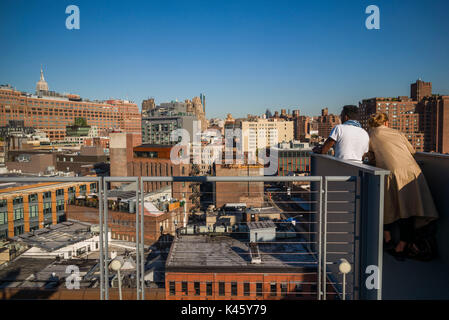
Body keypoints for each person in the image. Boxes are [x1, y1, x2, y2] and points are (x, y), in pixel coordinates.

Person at [367, 113, 439, 260]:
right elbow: (412, 151)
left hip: (392, 173)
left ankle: (396, 244)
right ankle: (401, 245)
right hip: (412, 172)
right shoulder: (397, 132)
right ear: (386, 123)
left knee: (396, 209)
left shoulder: (371, 135)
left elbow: (371, 157)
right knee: (409, 209)